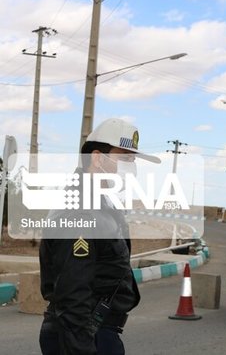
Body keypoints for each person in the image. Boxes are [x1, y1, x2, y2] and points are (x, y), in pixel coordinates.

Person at [39, 118, 160, 355]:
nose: (131, 167)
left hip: (96, 333)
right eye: (124, 158)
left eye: (132, 160)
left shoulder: (102, 204)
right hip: (82, 336)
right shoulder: (79, 211)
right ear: (96, 158)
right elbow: (72, 295)